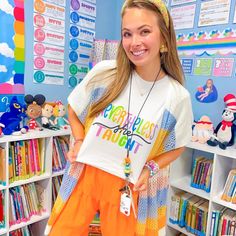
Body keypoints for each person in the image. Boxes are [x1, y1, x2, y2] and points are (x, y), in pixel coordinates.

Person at [45, 0, 193, 235]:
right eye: (127, 33)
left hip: (127, 185)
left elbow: (178, 146)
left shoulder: (176, 96)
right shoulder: (105, 73)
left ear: (164, 38)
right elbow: (73, 109)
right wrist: (80, 140)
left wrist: (150, 169)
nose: (134, 42)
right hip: (85, 174)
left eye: (144, 31)